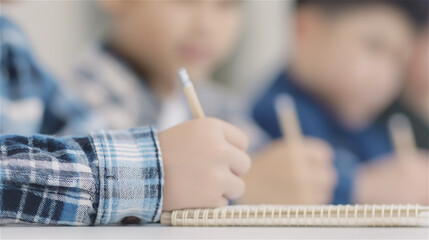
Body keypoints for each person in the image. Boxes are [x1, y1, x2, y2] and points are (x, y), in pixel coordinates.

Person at [0, 12, 251, 225]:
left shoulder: (12, 48)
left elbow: (82, 139)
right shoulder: (91, 89)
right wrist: (152, 174)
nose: (205, 25)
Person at [242, 0, 428, 205]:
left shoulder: (375, 133)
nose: (385, 76)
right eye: (374, 46)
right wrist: (361, 187)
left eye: (399, 59)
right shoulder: (264, 120)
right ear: (307, 30)